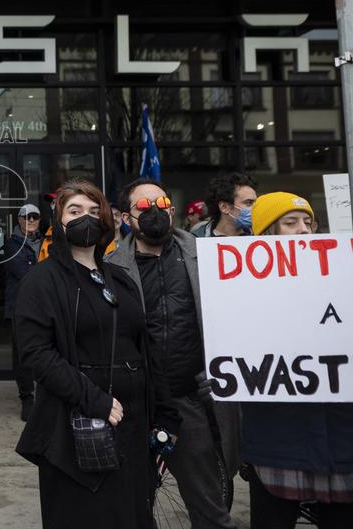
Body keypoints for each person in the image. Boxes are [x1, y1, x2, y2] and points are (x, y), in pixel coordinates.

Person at [14, 179, 180, 529]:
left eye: (93, 211)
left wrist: (164, 412)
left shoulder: (120, 278)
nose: (85, 218)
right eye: (74, 211)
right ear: (58, 222)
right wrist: (94, 400)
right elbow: (37, 355)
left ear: (107, 220)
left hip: (133, 429)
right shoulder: (41, 281)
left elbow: (145, 347)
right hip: (79, 428)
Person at [109, 178, 239, 529]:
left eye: (162, 203)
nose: (156, 211)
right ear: (125, 217)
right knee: (130, 506)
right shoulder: (110, 269)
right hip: (133, 405)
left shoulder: (206, 258)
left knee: (210, 509)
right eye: (144, 207)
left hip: (188, 400)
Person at [241, 192, 353, 529]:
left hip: (340, 436)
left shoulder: (342, 277)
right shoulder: (238, 289)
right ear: (266, 235)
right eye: (291, 223)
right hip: (277, 440)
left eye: (309, 222)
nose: (304, 230)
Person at [3, 204, 42, 422]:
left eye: (35, 216)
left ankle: (45, 395)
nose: (31, 220)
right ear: (19, 219)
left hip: (46, 305)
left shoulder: (47, 241)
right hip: (20, 306)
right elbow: (22, 272)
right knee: (22, 354)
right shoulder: (11, 244)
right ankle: (27, 397)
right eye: (26, 217)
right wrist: (44, 271)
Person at [194, 172, 257, 238]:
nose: (255, 207)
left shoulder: (261, 235)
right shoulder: (196, 242)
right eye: (249, 202)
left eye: (255, 202)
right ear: (224, 207)